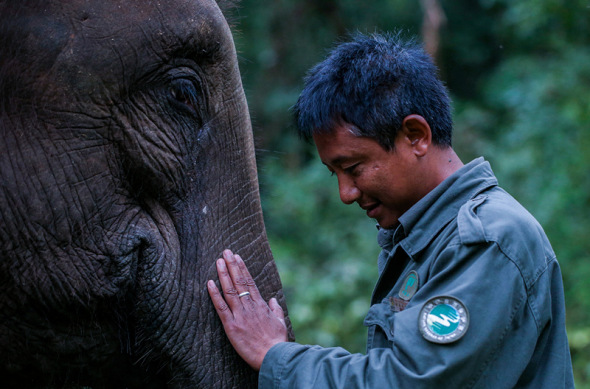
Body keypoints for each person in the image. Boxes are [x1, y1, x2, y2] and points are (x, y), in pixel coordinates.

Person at [207, 32, 574, 388]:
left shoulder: (488, 240)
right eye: (334, 173)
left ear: (416, 135)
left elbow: (407, 381)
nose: (345, 194)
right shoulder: (427, 237)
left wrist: (276, 355)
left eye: (353, 169)